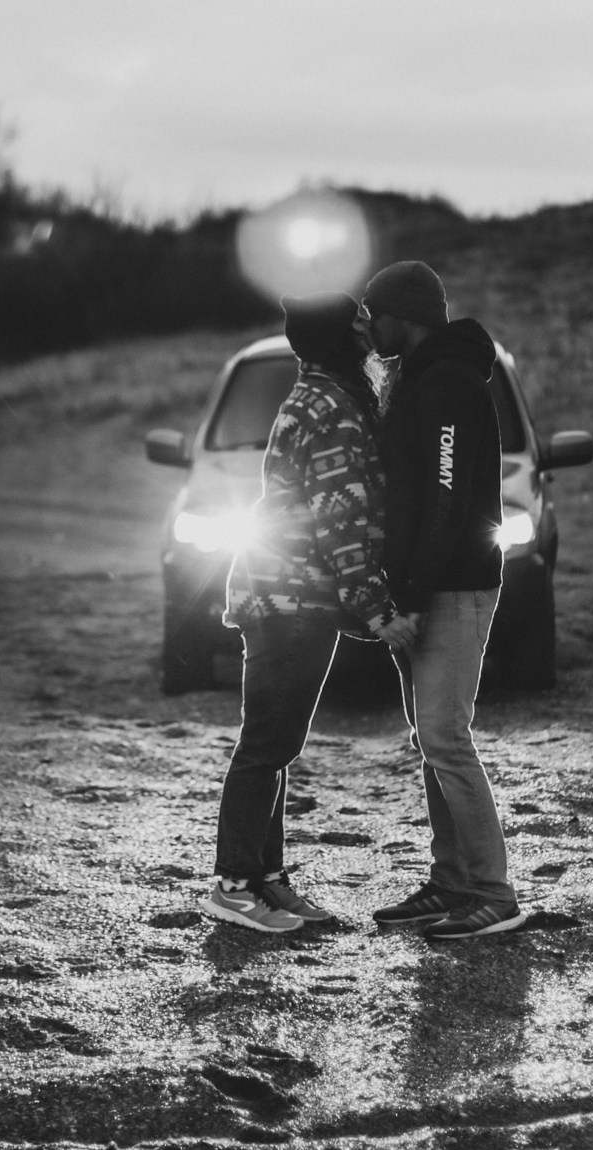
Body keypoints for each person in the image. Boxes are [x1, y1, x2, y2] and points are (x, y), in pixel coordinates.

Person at [204, 292, 419, 932]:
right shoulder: (331, 407)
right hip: (288, 601)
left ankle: (269, 881)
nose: (366, 328)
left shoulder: (324, 395)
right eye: (356, 321)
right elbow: (341, 520)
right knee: (267, 743)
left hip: (288, 596)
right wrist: (379, 612)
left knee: (277, 743)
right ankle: (233, 885)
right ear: (339, 336)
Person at [361, 260, 523, 940]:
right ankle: (450, 881)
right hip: (424, 587)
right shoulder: (421, 380)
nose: (370, 327)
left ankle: (493, 893)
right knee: (433, 741)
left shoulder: (451, 386)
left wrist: (418, 591)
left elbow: (448, 501)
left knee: (446, 739)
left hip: (453, 588)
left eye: (377, 314)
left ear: (407, 316)